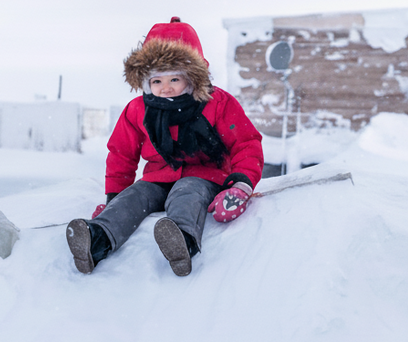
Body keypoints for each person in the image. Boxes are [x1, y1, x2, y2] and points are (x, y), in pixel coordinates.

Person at [66, 17, 264, 276]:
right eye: (157, 81)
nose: (165, 88)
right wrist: (114, 198)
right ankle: (97, 239)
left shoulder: (217, 103)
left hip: (204, 176)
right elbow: (121, 155)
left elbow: (246, 143)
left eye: (174, 79)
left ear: (192, 78)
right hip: (157, 178)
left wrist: (240, 185)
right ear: (146, 81)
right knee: (135, 197)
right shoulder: (138, 110)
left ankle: (182, 239)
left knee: (187, 190)